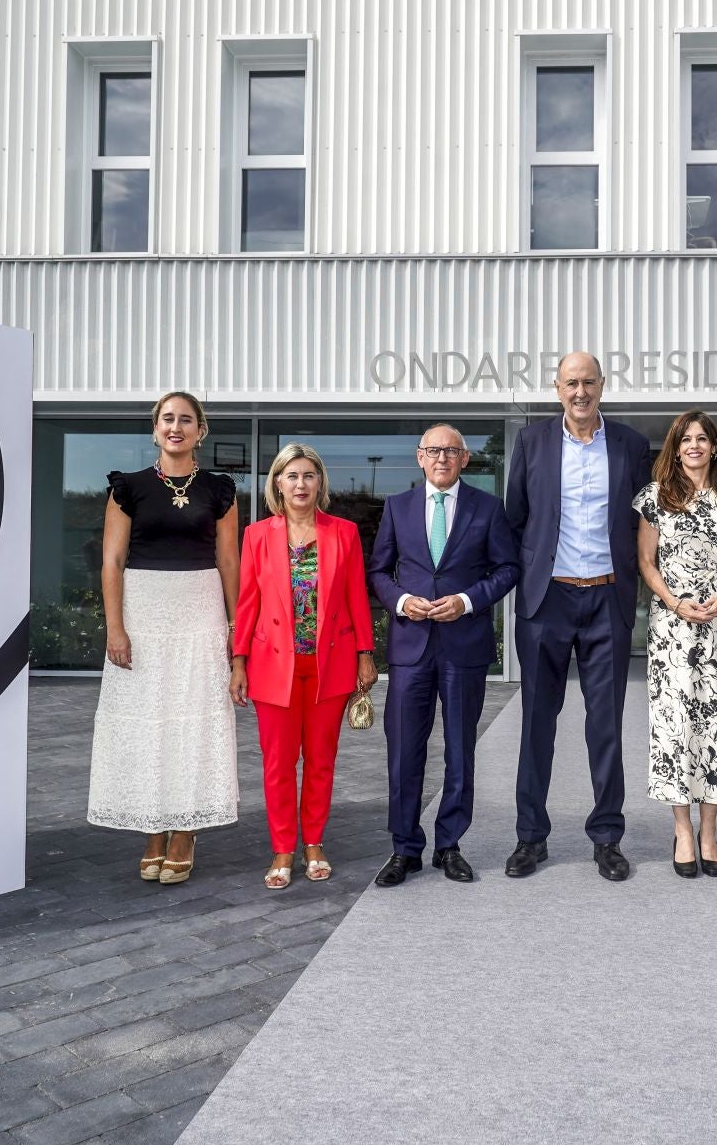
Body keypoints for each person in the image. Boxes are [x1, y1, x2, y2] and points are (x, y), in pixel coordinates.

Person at [504, 351, 651, 881]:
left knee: (605, 724)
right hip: (548, 602)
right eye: (571, 383)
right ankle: (530, 838)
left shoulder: (632, 446)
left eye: (589, 382)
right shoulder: (532, 442)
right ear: (556, 388)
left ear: (603, 386)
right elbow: (516, 518)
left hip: (607, 601)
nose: (580, 392)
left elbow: (643, 522)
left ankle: (607, 837)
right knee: (537, 722)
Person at [87, 392, 242, 886]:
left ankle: (184, 831)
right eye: (167, 419)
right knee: (148, 722)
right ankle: (152, 827)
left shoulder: (219, 489)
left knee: (191, 723)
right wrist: (116, 627)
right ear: (155, 429)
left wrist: (237, 632)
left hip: (200, 612)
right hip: (143, 612)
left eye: (186, 420)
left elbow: (229, 562)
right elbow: (111, 562)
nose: (176, 427)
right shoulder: (126, 487)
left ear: (201, 430)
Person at [367, 425, 521, 887]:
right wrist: (399, 601)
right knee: (404, 752)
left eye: (451, 451)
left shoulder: (488, 509)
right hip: (411, 648)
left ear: (465, 458)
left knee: (460, 751)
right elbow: (378, 570)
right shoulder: (396, 507)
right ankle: (404, 849)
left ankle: (449, 846)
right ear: (419, 457)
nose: (442, 458)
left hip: (463, 647)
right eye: (434, 450)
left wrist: (468, 600)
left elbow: (508, 568)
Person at [231, 444, 378, 890]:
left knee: (320, 761)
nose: (300, 484)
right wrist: (238, 662)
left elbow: (356, 595)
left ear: (320, 483)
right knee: (278, 763)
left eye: (309, 476)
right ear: (277, 482)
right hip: (272, 667)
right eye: (291, 476)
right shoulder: (257, 535)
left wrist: (365, 654)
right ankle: (282, 848)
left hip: (329, 665)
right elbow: (248, 603)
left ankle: (313, 842)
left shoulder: (344, 533)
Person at [635, 411, 717, 878]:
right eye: (686, 439)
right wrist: (675, 601)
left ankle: (710, 832)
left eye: (703, 438)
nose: (695, 446)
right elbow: (646, 563)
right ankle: (682, 831)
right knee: (676, 728)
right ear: (675, 446)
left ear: (715, 447)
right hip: (673, 629)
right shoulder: (654, 499)